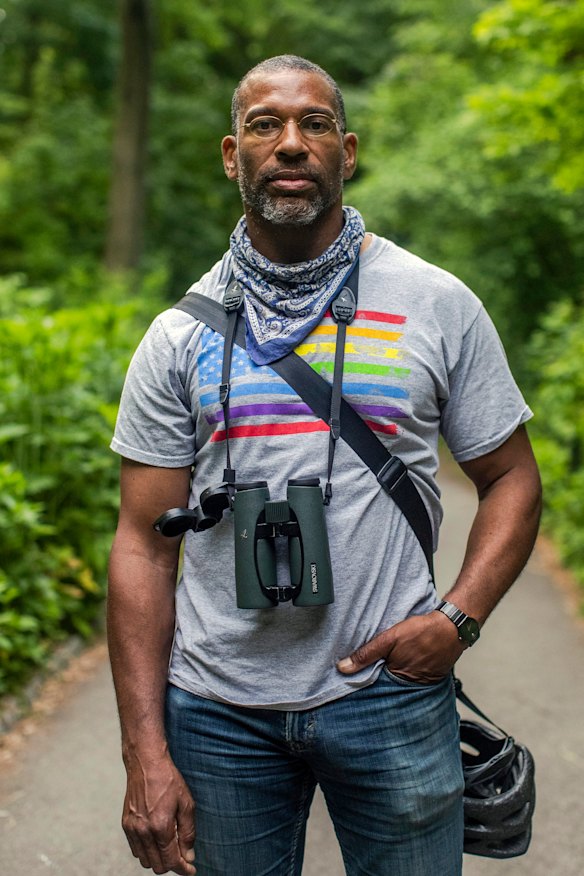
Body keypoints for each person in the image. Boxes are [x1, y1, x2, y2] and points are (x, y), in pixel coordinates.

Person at [107, 55, 542, 876]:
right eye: (265, 125)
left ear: (347, 150)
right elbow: (141, 543)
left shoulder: (436, 303)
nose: (291, 144)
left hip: (392, 697)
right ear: (232, 156)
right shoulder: (178, 336)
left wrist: (457, 620)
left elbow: (512, 477)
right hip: (217, 710)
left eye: (313, 125)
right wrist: (144, 751)